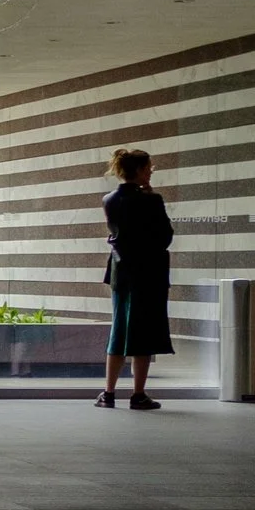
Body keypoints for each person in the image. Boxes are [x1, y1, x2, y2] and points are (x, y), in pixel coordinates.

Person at [98, 148, 174, 410]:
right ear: (140, 170)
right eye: (149, 167)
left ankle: (108, 393)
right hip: (148, 273)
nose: (151, 171)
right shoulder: (152, 201)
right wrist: (152, 195)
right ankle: (138, 394)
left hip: (121, 272)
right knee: (143, 332)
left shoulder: (109, 199)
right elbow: (165, 236)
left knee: (119, 328)